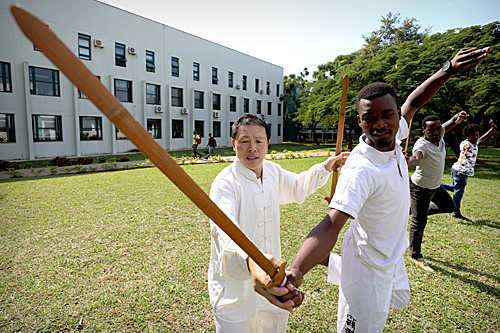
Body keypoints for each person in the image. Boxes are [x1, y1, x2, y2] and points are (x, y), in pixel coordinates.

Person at [249, 46, 490, 333]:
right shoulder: (362, 170)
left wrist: (447, 69)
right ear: (360, 121)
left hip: (390, 255)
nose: (379, 124)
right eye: (369, 118)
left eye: (386, 115)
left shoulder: (397, 130)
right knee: (363, 324)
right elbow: (330, 226)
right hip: (368, 272)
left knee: (394, 300)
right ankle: (345, 268)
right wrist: (296, 270)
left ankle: (337, 262)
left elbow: (413, 102)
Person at [208, 113, 349, 333]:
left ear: (267, 144)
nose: (252, 148)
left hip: (273, 281)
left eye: (258, 141)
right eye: (245, 141)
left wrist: (326, 167)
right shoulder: (225, 183)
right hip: (236, 287)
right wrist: (251, 260)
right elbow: (225, 229)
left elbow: (298, 185)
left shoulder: (272, 171)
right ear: (234, 144)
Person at [406, 111, 472, 271]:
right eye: (431, 130)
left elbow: (448, 124)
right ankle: (415, 255)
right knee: (419, 222)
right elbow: (416, 158)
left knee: (450, 207)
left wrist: (457, 118)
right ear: (424, 130)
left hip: (436, 186)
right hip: (420, 188)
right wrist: (407, 161)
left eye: (438, 129)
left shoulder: (440, 134)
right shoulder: (422, 145)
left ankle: (411, 211)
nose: (436, 132)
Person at [442, 119, 497, 221]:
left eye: (476, 135)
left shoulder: (475, 142)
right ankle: (456, 212)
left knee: (456, 189)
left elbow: (483, 138)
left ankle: (438, 187)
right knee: (458, 192)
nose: (475, 138)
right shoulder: (465, 143)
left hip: (460, 170)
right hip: (460, 171)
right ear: (467, 136)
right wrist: (466, 146)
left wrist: (492, 129)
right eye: (473, 136)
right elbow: (463, 146)